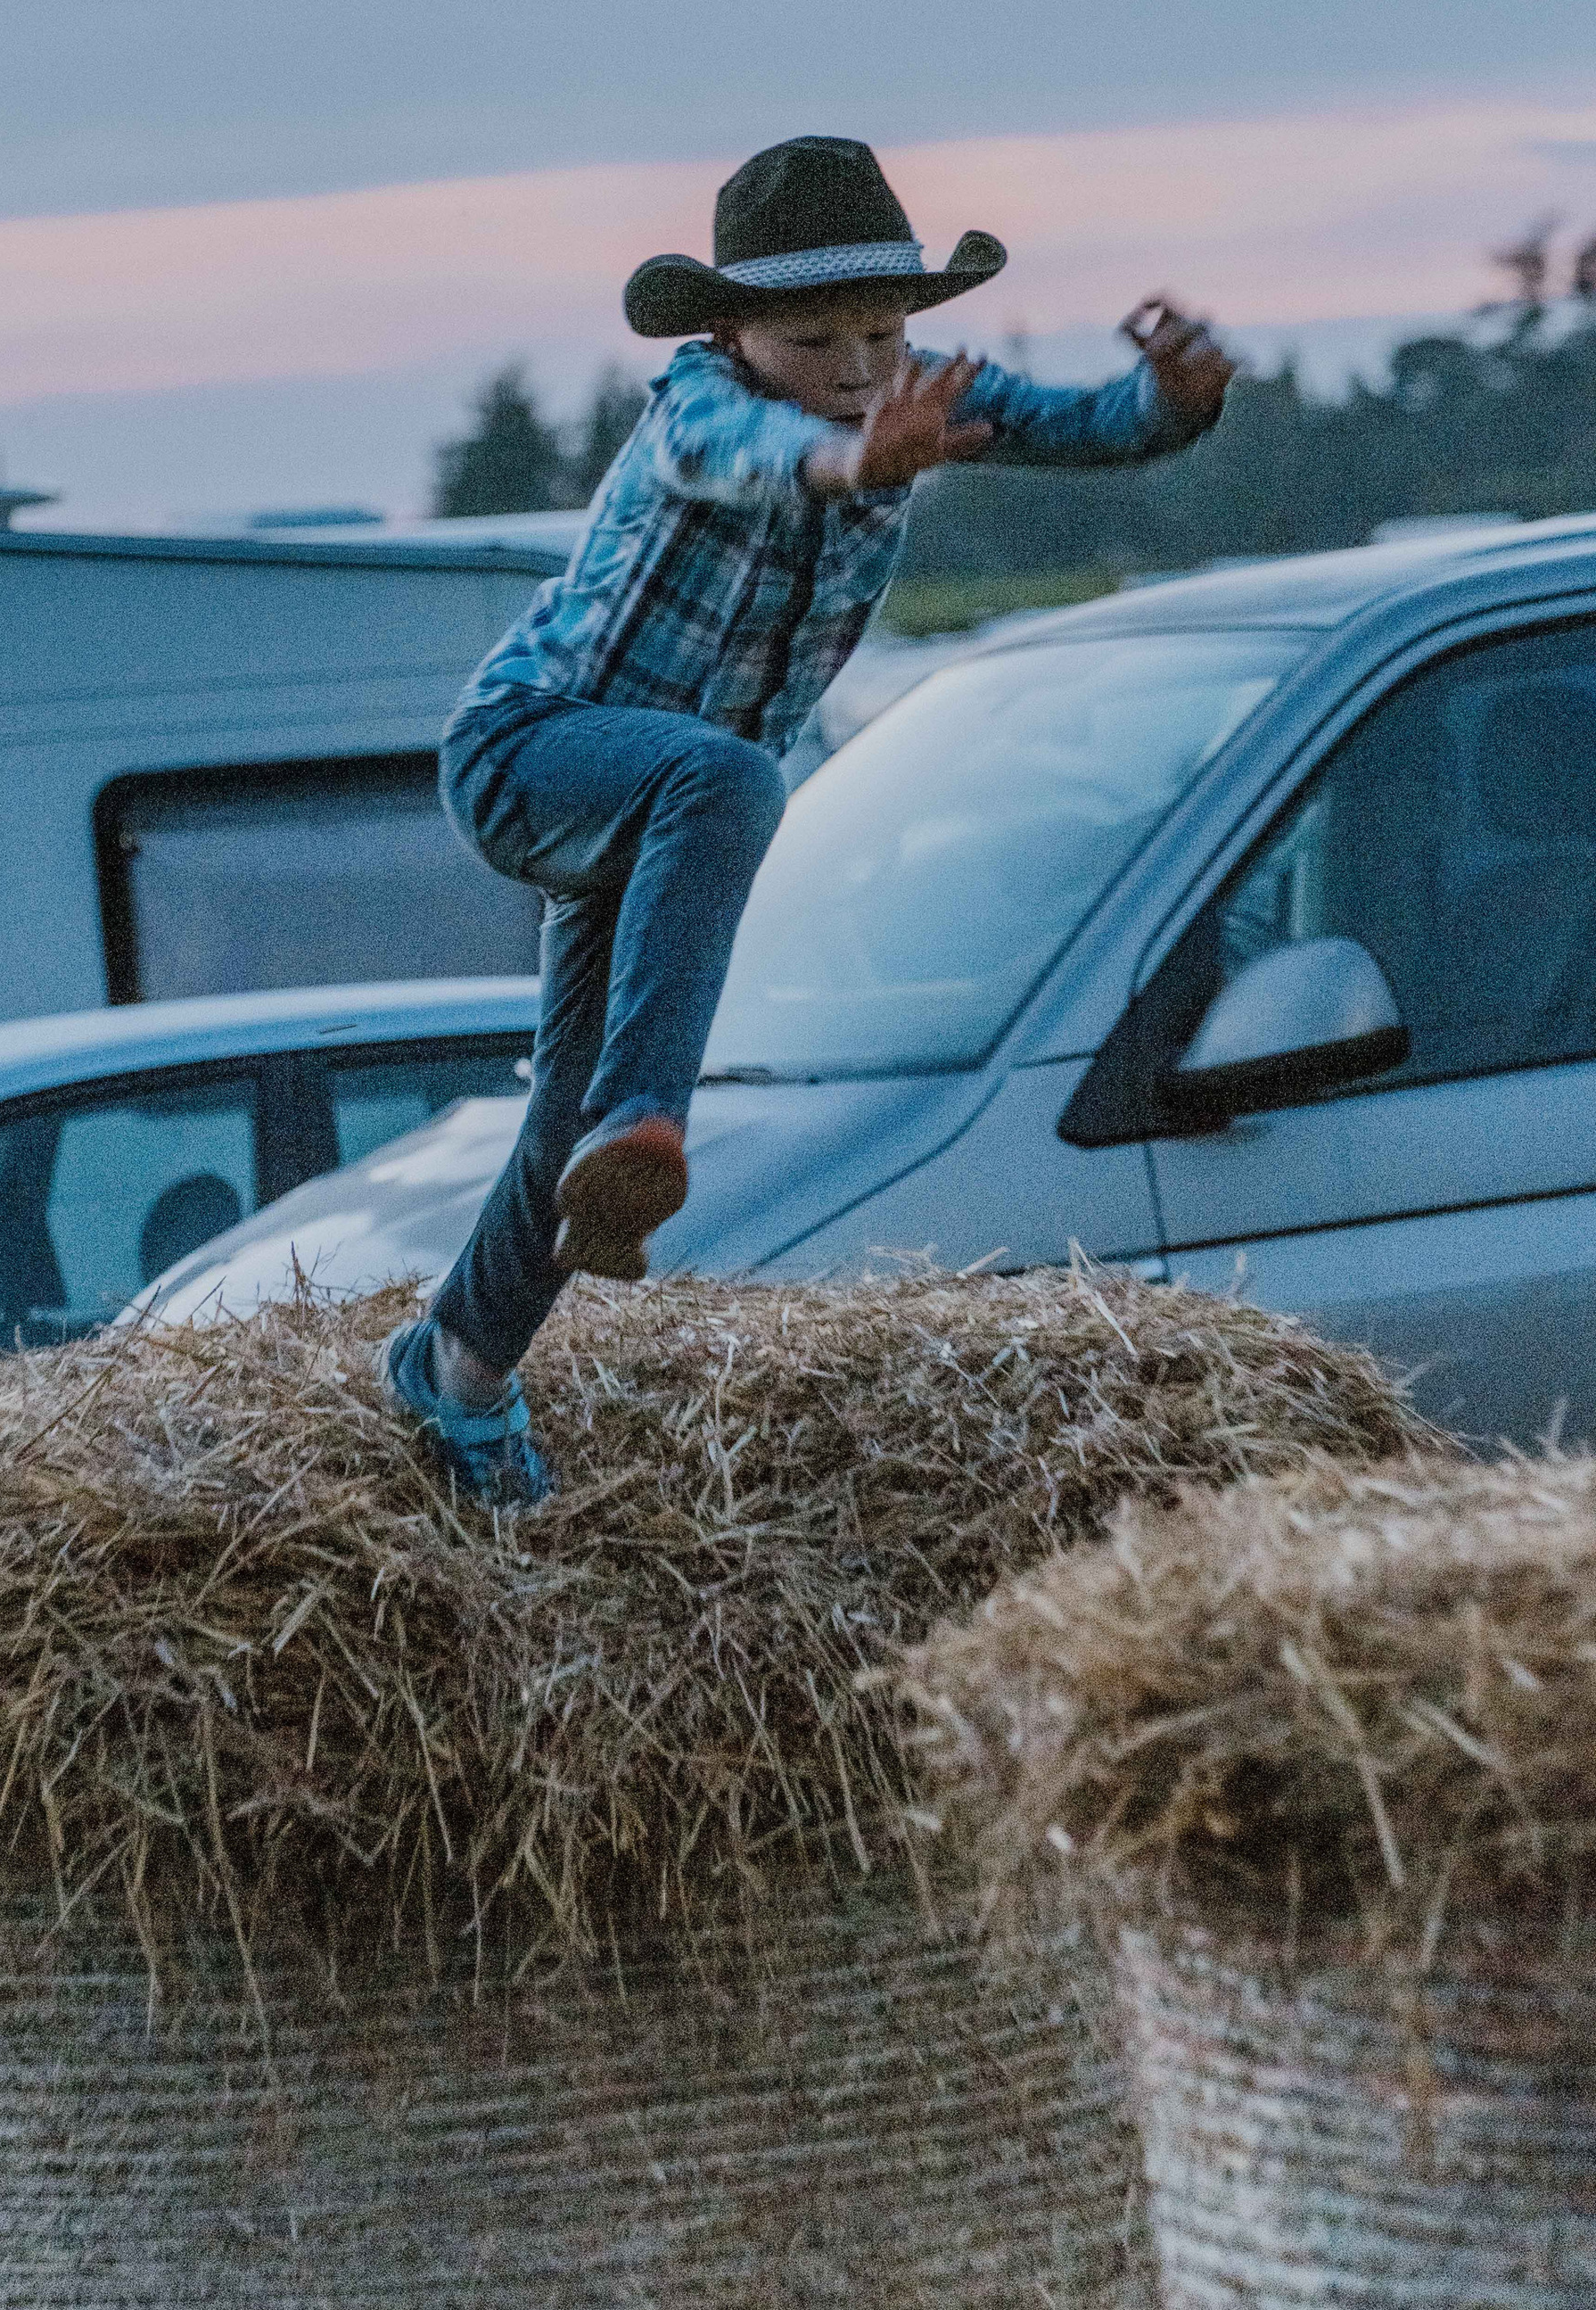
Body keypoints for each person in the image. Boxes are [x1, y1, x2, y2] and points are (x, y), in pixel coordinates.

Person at [385, 134, 1233, 1501]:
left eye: (880, 333)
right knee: (728, 779)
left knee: (562, 1120)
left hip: (661, 809)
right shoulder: (699, 411)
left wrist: (1175, 402)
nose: (854, 367)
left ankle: (460, 1375)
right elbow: (758, 452)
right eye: (813, 337)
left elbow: (1088, 426)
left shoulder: (916, 393)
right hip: (533, 750)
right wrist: (853, 464)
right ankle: (644, 1127)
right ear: (733, 331)